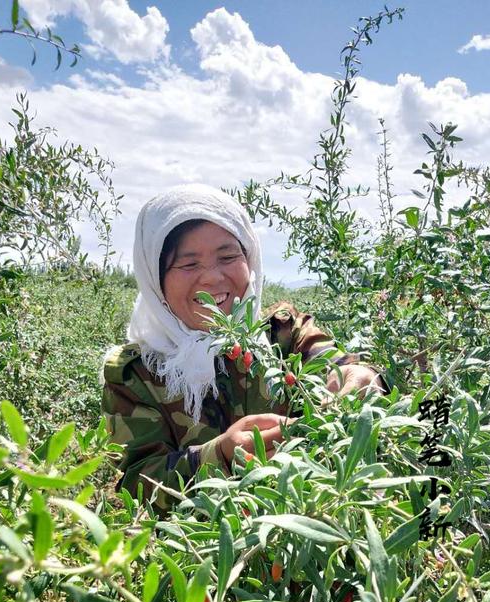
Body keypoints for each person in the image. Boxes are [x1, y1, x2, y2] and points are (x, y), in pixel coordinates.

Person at [102, 184, 384, 511]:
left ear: (249, 258)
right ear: (156, 277)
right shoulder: (135, 374)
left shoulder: (283, 333)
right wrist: (217, 456)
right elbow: (136, 485)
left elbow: (337, 364)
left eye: (228, 256)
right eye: (189, 264)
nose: (212, 278)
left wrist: (359, 376)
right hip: (205, 553)